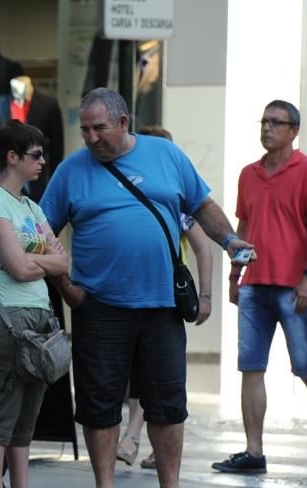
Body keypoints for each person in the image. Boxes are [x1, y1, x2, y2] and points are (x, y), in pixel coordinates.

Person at [40, 88, 254, 488]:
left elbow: (203, 206)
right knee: (99, 403)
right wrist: (67, 287)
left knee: (168, 402)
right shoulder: (71, 171)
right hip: (98, 305)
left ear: (123, 122)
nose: (92, 137)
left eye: (99, 128)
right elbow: (41, 231)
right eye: (85, 129)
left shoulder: (166, 155)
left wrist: (230, 241)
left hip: (161, 305)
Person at [212, 100, 307, 476]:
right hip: (255, 285)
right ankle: (253, 452)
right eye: (264, 121)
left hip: (295, 287)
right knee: (251, 368)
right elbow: (243, 227)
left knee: (305, 366)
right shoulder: (248, 174)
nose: (267, 128)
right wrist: (234, 277)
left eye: (276, 122)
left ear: (294, 131)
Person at [0, 121, 67, 488]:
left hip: (39, 314)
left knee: (27, 413)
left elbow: (62, 261)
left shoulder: (30, 206)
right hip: (6, 315)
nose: (43, 162)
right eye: (35, 155)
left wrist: (40, 264)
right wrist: (43, 262)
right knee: (3, 407)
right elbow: (15, 266)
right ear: (12, 157)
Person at [116, 125, 215, 470]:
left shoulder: (177, 203)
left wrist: (205, 296)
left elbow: (204, 247)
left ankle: (135, 438)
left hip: (166, 298)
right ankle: (137, 438)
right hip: (130, 298)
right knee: (139, 375)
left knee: (159, 379)